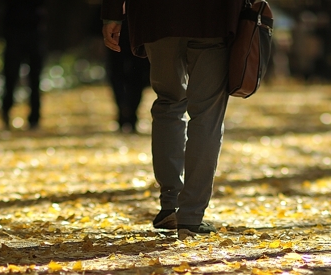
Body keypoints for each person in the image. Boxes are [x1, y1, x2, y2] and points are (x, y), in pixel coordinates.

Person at [102, 0, 239, 239]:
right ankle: (191, 215)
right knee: (206, 114)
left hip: (158, 17)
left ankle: (170, 204)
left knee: (168, 103)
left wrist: (112, 13)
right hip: (211, 17)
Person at [1, 0, 47, 130]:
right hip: (13, 31)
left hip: (34, 31)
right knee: (10, 76)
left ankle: (34, 118)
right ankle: (6, 111)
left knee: (34, 78)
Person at [107, 19, 151, 134]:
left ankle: (126, 113)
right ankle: (128, 114)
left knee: (126, 76)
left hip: (127, 30)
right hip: (136, 31)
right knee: (134, 77)